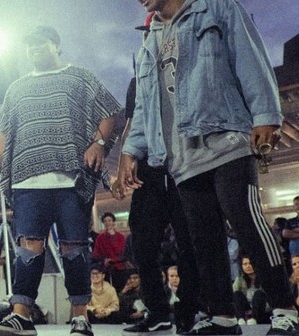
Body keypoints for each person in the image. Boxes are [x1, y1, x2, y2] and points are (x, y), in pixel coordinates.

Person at [119, 0, 297, 334]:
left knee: (246, 222)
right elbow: (144, 106)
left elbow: (249, 57)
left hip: (226, 138)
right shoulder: (149, 43)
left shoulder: (216, 8)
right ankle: (223, 318)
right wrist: (131, 150)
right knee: (205, 240)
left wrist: (266, 115)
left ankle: (286, 310)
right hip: (182, 157)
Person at [0, 23, 120, 336]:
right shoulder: (16, 87)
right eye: (29, 46)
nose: (33, 50)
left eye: (40, 44)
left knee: (74, 249)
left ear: (56, 45)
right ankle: (21, 315)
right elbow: (3, 134)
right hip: (27, 181)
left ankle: (80, 317)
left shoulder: (80, 77)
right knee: (28, 249)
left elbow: (110, 111)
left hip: (70, 180)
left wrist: (98, 143)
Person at [113, 12, 202, 335]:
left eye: (152, 31)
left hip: (183, 165)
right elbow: (130, 125)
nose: (147, 37)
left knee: (190, 241)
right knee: (142, 242)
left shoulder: (184, 69)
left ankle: (191, 309)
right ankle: (158, 310)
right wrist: (122, 165)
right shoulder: (138, 81)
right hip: (149, 171)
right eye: (145, 32)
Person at [92, 212, 126, 289]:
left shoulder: (121, 237)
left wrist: (113, 260)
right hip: (106, 269)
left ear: (113, 222)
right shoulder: (100, 238)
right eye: (105, 221)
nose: (107, 223)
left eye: (109, 220)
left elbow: (123, 252)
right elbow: (96, 254)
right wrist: (104, 259)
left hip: (119, 268)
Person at [233, 256, 271, 325]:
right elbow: (234, 297)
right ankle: (240, 319)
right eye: (245, 264)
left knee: (259, 294)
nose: (248, 266)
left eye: (250, 263)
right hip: (246, 311)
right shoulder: (240, 279)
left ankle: (253, 318)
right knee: (237, 294)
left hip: (262, 311)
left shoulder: (265, 278)